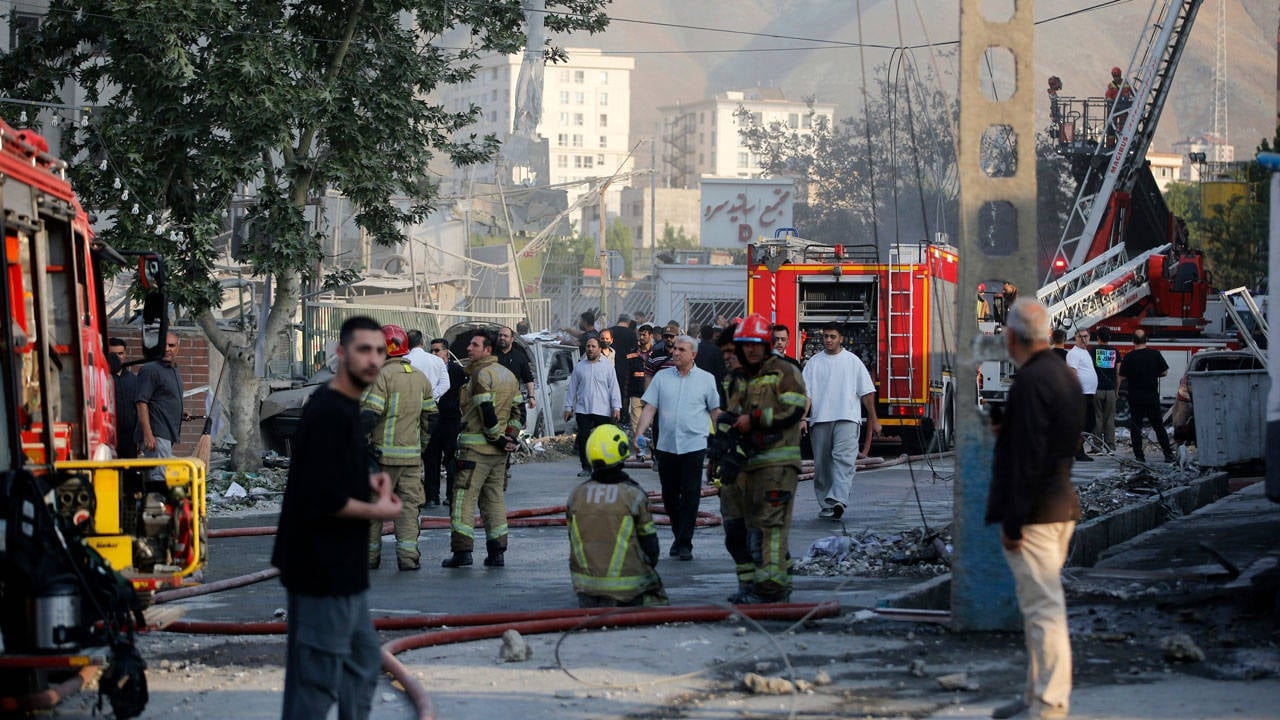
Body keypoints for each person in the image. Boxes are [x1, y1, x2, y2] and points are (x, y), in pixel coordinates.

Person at [272, 315, 403, 720]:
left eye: (380, 351)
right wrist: (378, 511)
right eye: (364, 350)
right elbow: (320, 497)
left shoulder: (345, 408)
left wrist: (370, 480)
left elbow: (336, 472)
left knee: (363, 666)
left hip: (343, 570)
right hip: (320, 570)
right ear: (341, 353)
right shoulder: (329, 411)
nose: (374, 360)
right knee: (316, 683)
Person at [985, 299, 1083, 720]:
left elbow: (1028, 458)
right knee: (1037, 609)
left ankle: (1048, 704)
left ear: (1011, 337)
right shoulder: (1066, 376)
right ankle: (1033, 695)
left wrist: (1013, 520)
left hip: (1036, 515)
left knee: (1044, 610)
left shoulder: (1028, 382)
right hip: (1060, 504)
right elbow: (1053, 441)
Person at [719, 313, 807, 603]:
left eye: (757, 344)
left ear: (767, 344)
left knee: (770, 526)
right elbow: (731, 417)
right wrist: (720, 453)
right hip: (748, 465)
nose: (751, 350)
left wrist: (754, 419)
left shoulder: (784, 370)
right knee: (747, 529)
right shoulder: (737, 378)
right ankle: (765, 584)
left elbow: (794, 410)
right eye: (746, 345)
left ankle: (771, 591)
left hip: (778, 464)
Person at [633, 334, 721, 561]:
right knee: (670, 497)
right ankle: (678, 534)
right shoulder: (662, 378)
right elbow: (650, 408)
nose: (676, 352)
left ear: (693, 354)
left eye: (682, 350)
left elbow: (714, 412)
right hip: (666, 446)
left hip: (694, 445)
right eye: (675, 349)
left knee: (690, 495)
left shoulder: (706, 379)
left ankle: (684, 543)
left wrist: (722, 440)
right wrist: (639, 433)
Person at [442, 328, 524, 568]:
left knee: (463, 500)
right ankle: (497, 552)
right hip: (499, 456)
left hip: (475, 452)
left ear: (488, 350)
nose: (469, 348)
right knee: (494, 500)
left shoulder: (480, 374)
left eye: (474, 345)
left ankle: (462, 552)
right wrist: (509, 437)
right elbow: (518, 412)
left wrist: (496, 437)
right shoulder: (509, 376)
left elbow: (485, 410)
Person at [566, 424, 668, 608]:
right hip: (629, 590)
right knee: (659, 599)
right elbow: (651, 548)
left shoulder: (576, 496)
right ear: (621, 451)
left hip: (586, 590)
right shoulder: (634, 496)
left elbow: (572, 540)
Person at [362, 324, 437, 571]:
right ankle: (408, 558)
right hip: (411, 459)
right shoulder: (419, 377)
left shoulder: (380, 376)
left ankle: (370, 558)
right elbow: (431, 418)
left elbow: (370, 415)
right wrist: (421, 447)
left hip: (382, 458)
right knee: (408, 509)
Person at [801, 323, 882, 520]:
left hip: (847, 418)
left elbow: (867, 392)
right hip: (820, 420)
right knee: (822, 466)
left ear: (841, 339)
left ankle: (838, 499)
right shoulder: (814, 363)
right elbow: (806, 394)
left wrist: (875, 420)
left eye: (832, 336)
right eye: (826, 336)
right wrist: (802, 417)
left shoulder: (853, 362)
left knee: (844, 461)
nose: (828, 340)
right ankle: (827, 505)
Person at [564, 337, 621, 477]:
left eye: (593, 346)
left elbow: (614, 388)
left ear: (600, 349)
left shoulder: (607, 367)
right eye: (588, 346)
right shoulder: (579, 366)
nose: (590, 349)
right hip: (583, 409)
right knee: (584, 438)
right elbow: (572, 388)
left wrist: (616, 407)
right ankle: (586, 467)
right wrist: (568, 407)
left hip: (603, 409)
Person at [135, 332, 188, 480]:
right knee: (160, 476)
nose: (167, 349)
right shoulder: (151, 369)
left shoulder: (173, 369)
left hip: (167, 433)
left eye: (171, 345)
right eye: (163, 345)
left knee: (160, 474)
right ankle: (158, 503)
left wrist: (180, 412)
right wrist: (147, 434)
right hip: (156, 433)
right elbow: (141, 402)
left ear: (178, 348)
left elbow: (162, 399)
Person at [1118, 328, 1176, 463]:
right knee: (1158, 426)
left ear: (1133, 341)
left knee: (1136, 427)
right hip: (1151, 396)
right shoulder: (1155, 354)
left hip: (1135, 397)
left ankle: (1139, 456)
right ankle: (1168, 454)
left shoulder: (1129, 356)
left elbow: (1122, 375)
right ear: (1146, 340)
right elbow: (1165, 372)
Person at [423, 338, 465, 508]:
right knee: (431, 459)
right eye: (431, 351)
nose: (434, 354)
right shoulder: (429, 369)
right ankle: (431, 496)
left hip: (451, 420)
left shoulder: (456, 371)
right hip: (433, 420)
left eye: (437, 350)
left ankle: (451, 495)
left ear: (446, 352)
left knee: (451, 458)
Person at [1066, 329, 1098, 462]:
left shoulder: (1085, 352)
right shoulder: (1074, 353)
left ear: (1089, 337)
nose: (1083, 339)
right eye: (1080, 337)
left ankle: (1077, 448)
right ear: (1076, 338)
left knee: (1090, 422)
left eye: (1085, 336)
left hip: (1089, 392)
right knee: (1083, 423)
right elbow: (1072, 372)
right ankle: (1078, 451)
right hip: (1081, 393)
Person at [108, 337, 139, 459]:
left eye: (120, 353)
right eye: (113, 354)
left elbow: (138, 409)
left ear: (125, 354)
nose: (117, 357)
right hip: (109, 438)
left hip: (130, 439)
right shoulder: (102, 378)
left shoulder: (134, 380)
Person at [1091, 327, 1120, 452]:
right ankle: (1110, 446)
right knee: (1110, 419)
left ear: (1098, 338)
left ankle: (1097, 446)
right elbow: (1118, 373)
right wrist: (1116, 390)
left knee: (1097, 418)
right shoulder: (1115, 352)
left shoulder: (1093, 351)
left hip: (1096, 389)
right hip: (1110, 390)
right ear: (1109, 338)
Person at [495, 326, 537, 410]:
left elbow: (528, 379)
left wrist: (531, 397)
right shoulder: (488, 355)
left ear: (512, 339)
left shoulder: (520, 357)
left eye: (505, 336)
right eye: (500, 335)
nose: (502, 338)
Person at [405, 329, 450, 402]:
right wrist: (430, 397)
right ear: (422, 342)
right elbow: (445, 384)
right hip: (431, 405)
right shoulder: (438, 360)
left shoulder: (403, 360)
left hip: (409, 404)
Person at [629, 323, 654, 437]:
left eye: (644, 335)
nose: (641, 337)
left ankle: (655, 452)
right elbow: (627, 374)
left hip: (652, 395)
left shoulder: (656, 354)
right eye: (640, 335)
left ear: (651, 336)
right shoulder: (632, 353)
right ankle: (640, 452)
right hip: (636, 393)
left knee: (654, 425)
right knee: (636, 427)